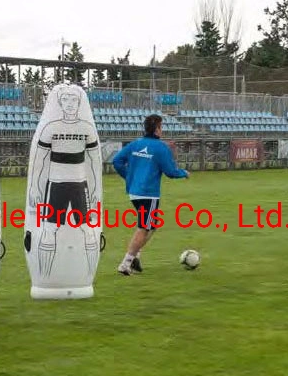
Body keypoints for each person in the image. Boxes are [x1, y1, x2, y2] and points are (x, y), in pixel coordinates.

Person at [28, 85, 100, 278]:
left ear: (79, 103)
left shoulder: (86, 129)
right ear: (60, 103)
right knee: (50, 229)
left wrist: (94, 191)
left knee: (87, 229)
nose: (69, 104)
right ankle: (45, 275)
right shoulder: (51, 128)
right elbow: (39, 162)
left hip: (79, 186)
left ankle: (87, 276)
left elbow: (93, 163)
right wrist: (35, 188)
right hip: (56, 186)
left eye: (74, 100)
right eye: (66, 100)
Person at [112, 113, 189, 276]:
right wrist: (183, 173)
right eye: (161, 127)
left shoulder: (135, 144)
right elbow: (170, 172)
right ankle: (125, 264)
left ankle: (135, 257)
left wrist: (129, 177)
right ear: (156, 129)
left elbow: (117, 161)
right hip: (148, 194)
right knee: (144, 228)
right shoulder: (161, 148)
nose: (162, 130)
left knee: (152, 226)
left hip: (134, 193)